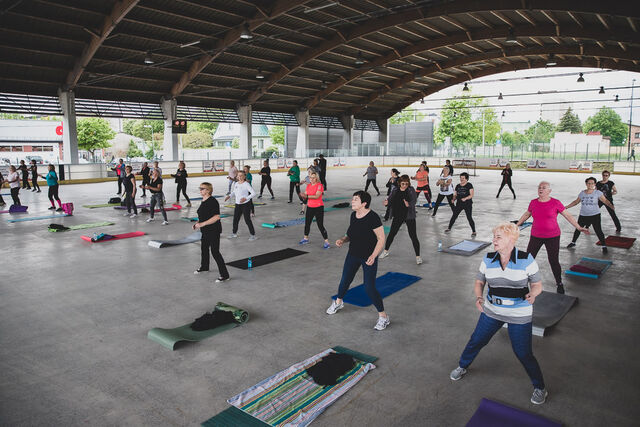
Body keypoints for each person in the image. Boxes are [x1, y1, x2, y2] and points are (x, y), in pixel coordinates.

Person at [449, 222, 547, 405]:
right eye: (494, 236)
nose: (494, 240)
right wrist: (479, 298)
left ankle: (540, 387)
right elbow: (479, 282)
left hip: (519, 313)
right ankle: (462, 365)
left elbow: (537, 284)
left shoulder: (526, 259)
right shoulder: (488, 258)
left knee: (523, 353)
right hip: (492, 310)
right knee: (476, 340)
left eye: (498, 237)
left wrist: (533, 294)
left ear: (511, 239)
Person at [326, 191, 389, 330]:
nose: (352, 201)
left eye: (356, 199)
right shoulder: (353, 215)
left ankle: (383, 317)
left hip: (368, 257)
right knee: (345, 280)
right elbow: (350, 233)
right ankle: (338, 302)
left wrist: (374, 256)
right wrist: (343, 239)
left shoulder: (373, 217)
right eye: (353, 199)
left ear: (364, 203)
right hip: (353, 254)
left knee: (369, 287)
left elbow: (381, 239)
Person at [515, 181, 588, 294]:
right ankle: (523, 284)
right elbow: (527, 214)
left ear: (549, 191)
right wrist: (517, 225)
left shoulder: (556, 203)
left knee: (553, 261)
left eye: (544, 188)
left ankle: (559, 283)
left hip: (552, 236)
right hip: (536, 236)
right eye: (539, 187)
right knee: (528, 259)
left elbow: (567, 215)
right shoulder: (533, 202)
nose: (541, 189)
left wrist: (578, 227)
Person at [565, 177, 614, 253]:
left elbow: (605, 201)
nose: (590, 185)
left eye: (592, 183)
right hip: (583, 215)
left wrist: (611, 206)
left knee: (598, 230)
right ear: (586, 184)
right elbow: (576, 202)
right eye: (588, 183)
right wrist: (566, 207)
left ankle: (604, 246)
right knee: (578, 229)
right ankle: (573, 242)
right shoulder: (582, 193)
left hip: (595, 215)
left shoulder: (598, 193)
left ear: (595, 184)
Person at [193, 182, 230, 282]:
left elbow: (216, 217)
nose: (200, 190)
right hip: (205, 230)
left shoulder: (213, 201)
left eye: (202, 188)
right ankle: (204, 266)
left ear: (208, 190)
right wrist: (197, 223)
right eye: (200, 188)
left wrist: (202, 224)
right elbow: (203, 215)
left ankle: (225, 275)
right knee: (204, 248)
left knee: (215, 252)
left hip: (213, 230)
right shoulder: (203, 200)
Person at [380, 175, 421, 264]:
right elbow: (390, 200)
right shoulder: (395, 190)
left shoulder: (411, 190)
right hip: (398, 215)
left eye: (406, 184)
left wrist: (409, 204)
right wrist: (386, 203)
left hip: (409, 216)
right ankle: (386, 251)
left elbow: (414, 200)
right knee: (392, 234)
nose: (404, 186)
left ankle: (418, 256)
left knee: (413, 236)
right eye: (403, 184)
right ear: (399, 183)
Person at [299, 172, 330, 249]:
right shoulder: (309, 186)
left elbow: (316, 196)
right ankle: (305, 238)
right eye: (310, 178)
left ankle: (326, 242)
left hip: (318, 207)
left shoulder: (320, 186)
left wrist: (306, 196)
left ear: (316, 178)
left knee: (320, 225)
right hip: (310, 207)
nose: (312, 179)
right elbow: (306, 195)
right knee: (307, 223)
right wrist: (302, 195)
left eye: (313, 177)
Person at [224, 171, 257, 240]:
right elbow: (234, 192)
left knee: (247, 220)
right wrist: (229, 196)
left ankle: (253, 235)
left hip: (245, 205)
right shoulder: (236, 183)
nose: (240, 177)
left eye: (241, 175)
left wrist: (246, 198)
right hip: (238, 205)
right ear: (237, 176)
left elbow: (253, 193)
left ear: (244, 177)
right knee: (235, 219)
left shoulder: (246, 184)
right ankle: (234, 233)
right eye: (238, 175)